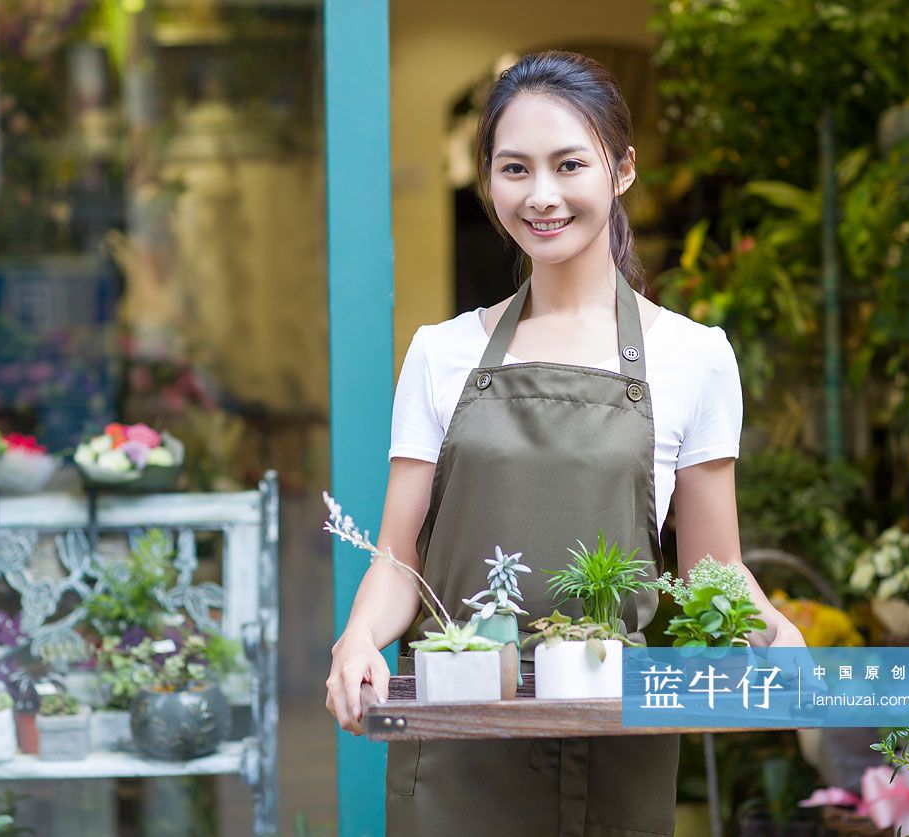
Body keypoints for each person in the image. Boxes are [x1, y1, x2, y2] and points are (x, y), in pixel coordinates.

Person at [325, 50, 807, 837]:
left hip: (616, 742)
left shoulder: (693, 356)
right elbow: (397, 556)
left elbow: (711, 572)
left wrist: (778, 637)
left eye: (568, 164)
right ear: (487, 180)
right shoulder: (440, 353)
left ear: (620, 170)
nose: (541, 195)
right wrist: (355, 642)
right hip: (458, 745)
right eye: (514, 168)